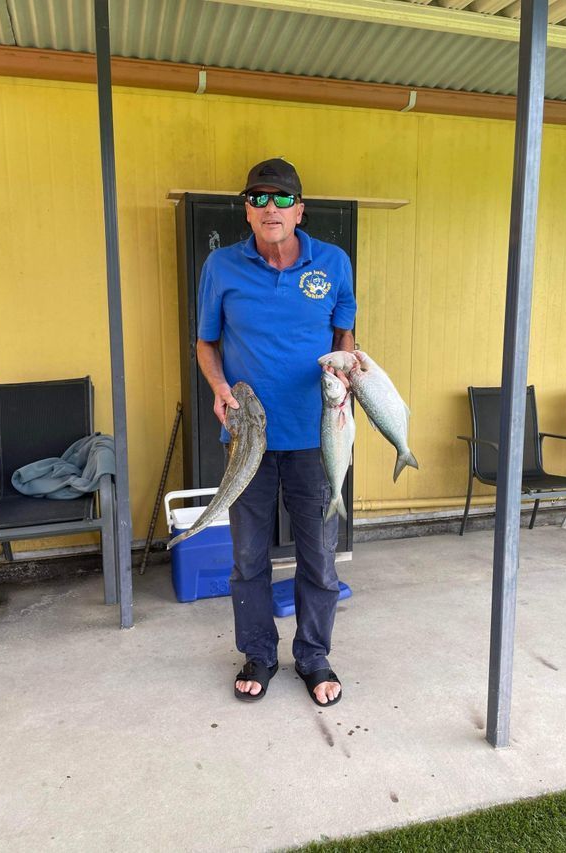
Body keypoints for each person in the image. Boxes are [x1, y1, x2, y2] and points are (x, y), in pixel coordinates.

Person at [196, 158, 356, 706]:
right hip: (249, 442)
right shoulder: (221, 267)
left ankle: (313, 655)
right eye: (259, 198)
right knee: (248, 557)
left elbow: (345, 337)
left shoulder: (333, 263)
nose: (271, 208)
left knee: (319, 557)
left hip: (317, 437)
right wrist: (220, 388)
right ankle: (259, 653)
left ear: (300, 209)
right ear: (246, 209)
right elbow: (206, 343)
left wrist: (348, 368)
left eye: (283, 199)